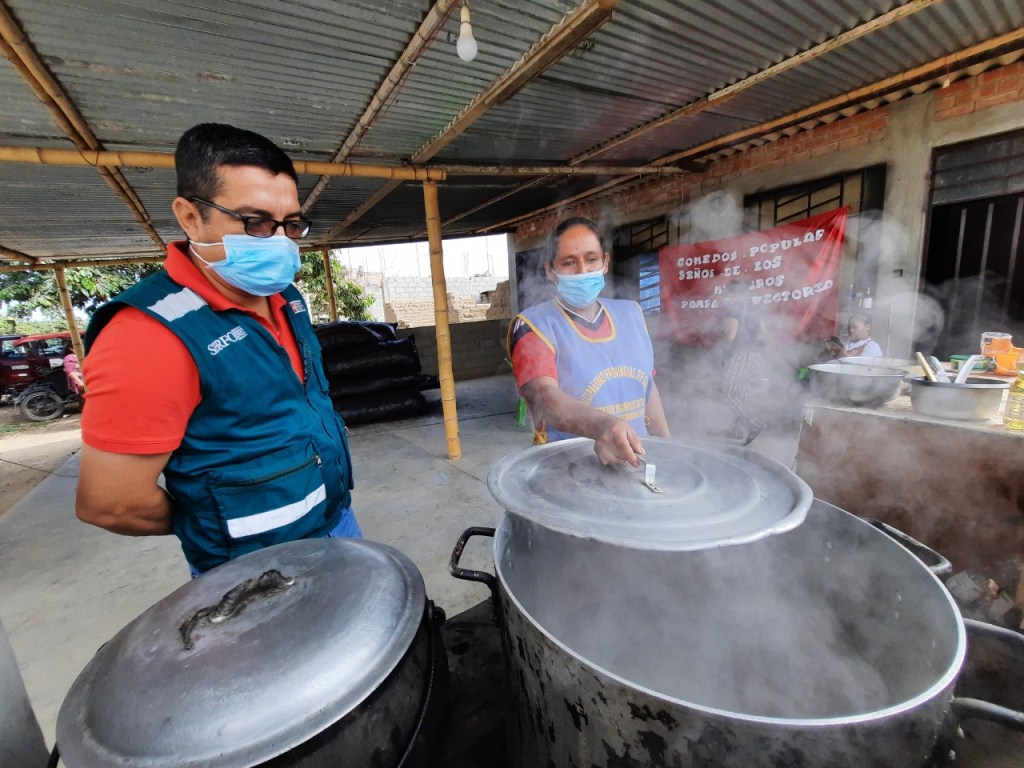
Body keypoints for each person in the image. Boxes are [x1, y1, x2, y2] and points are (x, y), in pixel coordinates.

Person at [77, 123, 361, 576]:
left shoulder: (286, 298)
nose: (280, 242)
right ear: (190, 217)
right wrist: (212, 521)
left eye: (291, 224)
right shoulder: (148, 334)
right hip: (253, 568)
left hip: (337, 523)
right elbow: (112, 502)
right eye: (256, 222)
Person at [507, 216, 670, 466]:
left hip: (640, 463)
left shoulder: (632, 313)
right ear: (551, 271)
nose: (583, 270)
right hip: (568, 473)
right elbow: (544, 398)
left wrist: (668, 448)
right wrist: (604, 426)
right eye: (569, 262)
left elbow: (649, 390)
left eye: (591, 259)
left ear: (605, 262)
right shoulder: (533, 327)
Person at [719, 281, 767, 445]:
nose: (725, 297)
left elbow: (730, 335)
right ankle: (736, 430)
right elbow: (763, 334)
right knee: (741, 394)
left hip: (739, 355)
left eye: (727, 293)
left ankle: (754, 425)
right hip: (754, 355)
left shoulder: (734, 309)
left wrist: (725, 339)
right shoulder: (754, 309)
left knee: (729, 394)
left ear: (735, 294)